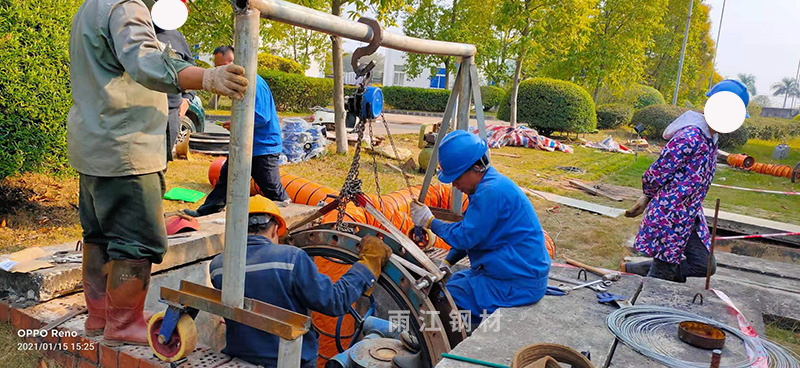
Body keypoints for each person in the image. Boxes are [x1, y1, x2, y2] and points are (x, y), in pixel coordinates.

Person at [71, 0, 248, 345]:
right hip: (127, 147)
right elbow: (147, 61)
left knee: (99, 238)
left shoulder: (89, 8)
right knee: (137, 241)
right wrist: (207, 77)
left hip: (93, 143)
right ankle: (123, 324)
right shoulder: (126, 6)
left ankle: (99, 317)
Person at [209, 196, 392, 367]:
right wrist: (368, 264)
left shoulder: (218, 265)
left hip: (240, 359)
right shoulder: (292, 258)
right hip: (291, 361)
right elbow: (334, 301)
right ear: (274, 230)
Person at [409, 130, 551, 324]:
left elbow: (465, 236)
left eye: (456, 178)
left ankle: (436, 347)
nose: (455, 185)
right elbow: (474, 234)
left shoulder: (490, 193)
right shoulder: (488, 186)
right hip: (512, 274)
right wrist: (448, 262)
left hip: (517, 284)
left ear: (475, 167)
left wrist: (430, 222)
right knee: (453, 283)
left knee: (445, 297)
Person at [620, 79, 750, 282]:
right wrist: (647, 196)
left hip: (690, 216)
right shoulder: (690, 136)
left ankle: (632, 269)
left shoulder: (711, 138)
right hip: (671, 215)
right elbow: (658, 170)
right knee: (662, 274)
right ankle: (643, 306)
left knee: (704, 264)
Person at [184, 45, 290, 217]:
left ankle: (287, 216)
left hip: (263, 148)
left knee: (272, 189)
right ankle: (206, 212)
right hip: (244, 146)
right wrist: (234, 122)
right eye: (219, 67)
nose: (223, 70)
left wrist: (236, 123)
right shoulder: (240, 83)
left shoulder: (255, 83)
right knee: (225, 180)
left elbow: (262, 116)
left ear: (236, 61)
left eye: (226, 65)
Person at [155, 27, 195, 163]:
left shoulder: (177, 35)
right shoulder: (140, 29)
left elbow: (190, 68)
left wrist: (187, 99)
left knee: (162, 163)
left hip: (172, 112)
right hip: (143, 110)